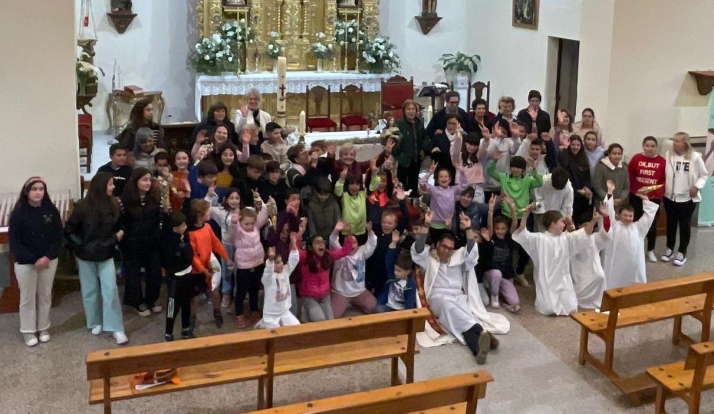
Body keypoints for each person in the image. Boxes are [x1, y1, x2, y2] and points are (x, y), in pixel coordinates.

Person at [411, 210, 509, 364]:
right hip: (438, 298)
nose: (446, 250)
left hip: (458, 296)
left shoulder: (457, 256)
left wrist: (469, 229)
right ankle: (484, 334)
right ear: (437, 245)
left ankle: (477, 346)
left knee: (465, 313)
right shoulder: (429, 259)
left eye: (450, 248)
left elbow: (471, 252)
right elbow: (417, 249)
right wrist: (426, 225)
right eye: (443, 246)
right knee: (450, 307)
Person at [65, 173, 128, 345]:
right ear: (101, 186)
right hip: (85, 255)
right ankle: (95, 321)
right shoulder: (82, 207)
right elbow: (70, 230)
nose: (113, 187)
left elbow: (120, 224)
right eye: (110, 184)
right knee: (89, 290)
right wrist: (81, 246)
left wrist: (118, 236)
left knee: (110, 290)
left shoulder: (114, 204)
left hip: (106, 253)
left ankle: (115, 327)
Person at [8, 176, 63, 347]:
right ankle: (28, 331)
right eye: (34, 189)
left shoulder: (51, 210)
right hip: (26, 262)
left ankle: (43, 327)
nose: (38, 192)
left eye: (41, 189)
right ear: (26, 191)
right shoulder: (18, 213)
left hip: (48, 260)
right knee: (27, 297)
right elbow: (15, 241)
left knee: (45, 295)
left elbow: (58, 236)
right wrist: (33, 259)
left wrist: (47, 256)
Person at [512, 206, 595, 316]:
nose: (563, 225)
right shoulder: (540, 239)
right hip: (547, 281)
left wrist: (594, 221)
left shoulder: (566, 238)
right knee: (548, 308)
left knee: (571, 307)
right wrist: (525, 215)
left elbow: (583, 234)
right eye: (560, 222)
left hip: (563, 279)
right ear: (552, 224)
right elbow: (522, 234)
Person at [119, 167, 168, 316]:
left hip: (151, 240)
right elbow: (122, 221)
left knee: (154, 273)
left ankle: (152, 299)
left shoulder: (156, 197)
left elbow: (160, 218)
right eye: (144, 180)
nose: (148, 183)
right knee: (133, 274)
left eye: (150, 180)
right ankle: (137, 301)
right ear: (136, 181)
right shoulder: (125, 200)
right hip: (132, 242)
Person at [661, 132, 709, 266]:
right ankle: (669, 248)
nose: (675, 143)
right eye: (674, 140)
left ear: (685, 143)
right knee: (670, 224)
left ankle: (682, 251)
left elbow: (704, 175)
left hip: (687, 198)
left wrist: (697, 186)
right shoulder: (668, 155)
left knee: (684, 225)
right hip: (670, 196)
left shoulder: (695, 157)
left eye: (678, 141)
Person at [602, 188, 659, 288]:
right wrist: (610, 193)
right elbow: (609, 212)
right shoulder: (614, 226)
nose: (627, 218)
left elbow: (648, 216)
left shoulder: (638, 228)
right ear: (619, 215)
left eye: (630, 216)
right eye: (625, 215)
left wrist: (646, 200)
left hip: (633, 266)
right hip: (616, 265)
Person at [298, 222, 355, 322]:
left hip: (325, 296)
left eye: (322, 242)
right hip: (309, 296)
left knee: (330, 321)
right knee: (320, 319)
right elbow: (294, 251)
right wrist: (299, 234)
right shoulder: (305, 257)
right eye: (317, 242)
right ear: (311, 247)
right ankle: (305, 310)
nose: (321, 244)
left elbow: (345, 251)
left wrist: (349, 234)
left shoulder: (328, 256)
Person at [233, 200, 273, 328]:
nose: (250, 226)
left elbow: (263, 215)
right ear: (240, 222)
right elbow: (234, 227)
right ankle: (239, 315)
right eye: (246, 224)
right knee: (241, 291)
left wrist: (264, 203)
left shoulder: (256, 227)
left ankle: (254, 310)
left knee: (254, 289)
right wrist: (235, 221)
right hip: (244, 266)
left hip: (258, 263)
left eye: (252, 223)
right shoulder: (239, 232)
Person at [478, 195, 520, 312]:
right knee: (496, 274)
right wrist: (491, 210)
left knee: (514, 301)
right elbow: (490, 225)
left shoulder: (508, 238)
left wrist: (512, 208)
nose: (500, 231)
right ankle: (494, 295)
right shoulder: (491, 237)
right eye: (498, 229)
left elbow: (514, 224)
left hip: (504, 274)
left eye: (503, 228)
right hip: (492, 272)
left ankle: (498, 291)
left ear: (506, 229)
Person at [627, 136, 666, 262]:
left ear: (657, 147)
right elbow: (630, 177)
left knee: (652, 224)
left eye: (652, 146)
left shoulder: (662, 161)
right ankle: (635, 249)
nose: (649, 148)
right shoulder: (636, 158)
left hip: (653, 198)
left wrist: (654, 195)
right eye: (647, 145)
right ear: (643, 146)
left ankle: (650, 250)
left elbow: (663, 181)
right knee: (635, 223)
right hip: (636, 197)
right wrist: (635, 192)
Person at [329, 222, 378, 318]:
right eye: (349, 242)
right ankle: (345, 303)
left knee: (372, 306)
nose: (352, 245)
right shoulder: (339, 252)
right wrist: (336, 230)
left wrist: (370, 231)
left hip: (359, 291)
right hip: (340, 292)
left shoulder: (362, 251)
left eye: (354, 242)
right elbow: (333, 241)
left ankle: (353, 303)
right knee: (333, 316)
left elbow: (372, 243)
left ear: (358, 244)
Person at [161, 212, 194, 341]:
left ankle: (185, 330)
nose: (186, 227)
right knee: (172, 306)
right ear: (175, 228)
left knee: (187, 304)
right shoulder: (169, 242)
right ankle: (168, 332)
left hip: (187, 275)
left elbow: (188, 255)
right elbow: (172, 260)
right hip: (175, 278)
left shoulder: (184, 236)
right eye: (183, 225)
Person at [420, 161, 468, 243]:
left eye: (446, 176)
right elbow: (422, 182)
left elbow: (464, 185)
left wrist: (462, 172)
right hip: (434, 224)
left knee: (447, 244)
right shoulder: (434, 190)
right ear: (437, 179)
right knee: (437, 245)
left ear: (450, 179)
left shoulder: (453, 190)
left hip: (448, 224)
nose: (443, 178)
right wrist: (430, 172)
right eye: (441, 177)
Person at [257, 244, 300, 328]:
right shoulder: (268, 279)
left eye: (281, 262)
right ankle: (263, 324)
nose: (281, 264)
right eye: (277, 263)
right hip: (271, 315)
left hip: (285, 311)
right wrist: (270, 260)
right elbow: (268, 271)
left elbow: (293, 261)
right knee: (276, 338)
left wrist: (294, 246)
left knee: (298, 328)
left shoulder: (285, 271)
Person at [335, 169, 380, 244]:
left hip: (361, 231)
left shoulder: (363, 194)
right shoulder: (344, 196)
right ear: (347, 185)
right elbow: (337, 190)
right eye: (352, 184)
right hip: (347, 232)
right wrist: (341, 179)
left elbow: (373, 186)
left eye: (357, 184)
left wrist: (374, 174)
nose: (354, 187)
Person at [376, 231, 417, 313]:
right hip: (387, 305)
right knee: (378, 309)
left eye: (399, 271)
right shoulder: (392, 276)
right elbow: (389, 259)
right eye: (395, 269)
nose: (396, 272)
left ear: (407, 272)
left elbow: (410, 302)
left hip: (400, 310)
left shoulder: (410, 284)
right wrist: (394, 243)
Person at [558, 135, 593, 225]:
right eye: (573, 144)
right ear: (569, 144)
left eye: (578, 145)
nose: (575, 147)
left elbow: (587, 176)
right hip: (568, 192)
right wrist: (576, 190)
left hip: (582, 196)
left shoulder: (583, 158)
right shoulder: (563, 156)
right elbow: (565, 176)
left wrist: (586, 187)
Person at [395, 99, 428, 196]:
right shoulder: (399, 124)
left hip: (416, 159)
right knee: (402, 184)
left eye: (413, 109)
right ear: (404, 111)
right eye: (408, 109)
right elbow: (394, 141)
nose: (411, 111)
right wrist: (398, 155)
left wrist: (424, 149)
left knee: (413, 183)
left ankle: (414, 204)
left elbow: (425, 137)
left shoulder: (419, 123)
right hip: (404, 160)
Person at [533, 167, 574, 231]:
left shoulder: (568, 188)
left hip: (558, 219)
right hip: (542, 216)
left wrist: (561, 219)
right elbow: (537, 200)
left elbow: (567, 206)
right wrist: (543, 217)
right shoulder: (542, 181)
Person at [308, 176, 341, 241]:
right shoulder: (311, 204)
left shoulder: (333, 202)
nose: (323, 197)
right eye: (321, 194)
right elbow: (311, 223)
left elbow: (337, 218)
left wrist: (334, 234)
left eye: (326, 195)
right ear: (316, 192)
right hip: (318, 237)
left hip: (333, 236)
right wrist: (316, 239)